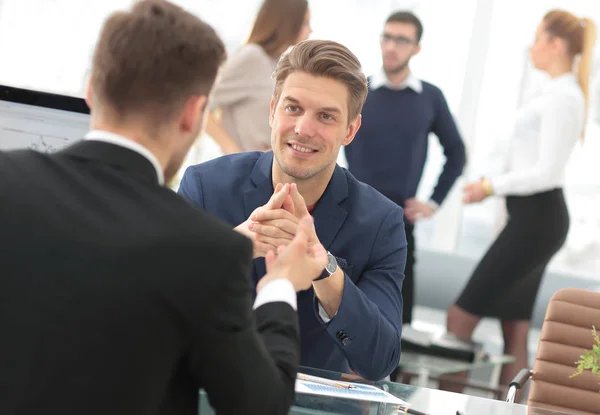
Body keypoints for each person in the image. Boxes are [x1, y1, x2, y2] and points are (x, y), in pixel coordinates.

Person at [0, 2, 328, 414]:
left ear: (91, 91)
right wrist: (279, 283)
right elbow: (259, 406)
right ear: (193, 113)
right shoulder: (208, 253)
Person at [179, 39, 408, 381]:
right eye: (293, 108)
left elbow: (381, 360)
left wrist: (326, 270)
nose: (303, 128)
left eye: (326, 116)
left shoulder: (380, 224)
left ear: (350, 129)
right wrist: (230, 252)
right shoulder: (206, 187)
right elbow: (153, 312)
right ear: (273, 111)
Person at [445, 9, 597, 392]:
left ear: (556, 45)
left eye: (537, 38)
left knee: (459, 319)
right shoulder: (552, 91)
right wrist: (491, 184)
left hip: (538, 221)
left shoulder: (564, 97)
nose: (531, 47)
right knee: (514, 325)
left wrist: (491, 186)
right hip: (532, 219)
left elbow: (545, 173)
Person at [344, 11, 466, 325]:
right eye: (387, 37)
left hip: (399, 225)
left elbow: (457, 152)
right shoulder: (359, 91)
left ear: (416, 48)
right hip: (349, 220)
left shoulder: (429, 97)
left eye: (402, 40)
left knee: (396, 325)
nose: (391, 46)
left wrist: (433, 202)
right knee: (339, 316)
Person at [205, 0, 311, 154]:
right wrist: (232, 151)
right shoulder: (253, 57)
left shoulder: (279, 65)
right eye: (305, 22)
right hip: (245, 169)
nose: (310, 30)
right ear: (288, 22)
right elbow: (204, 104)